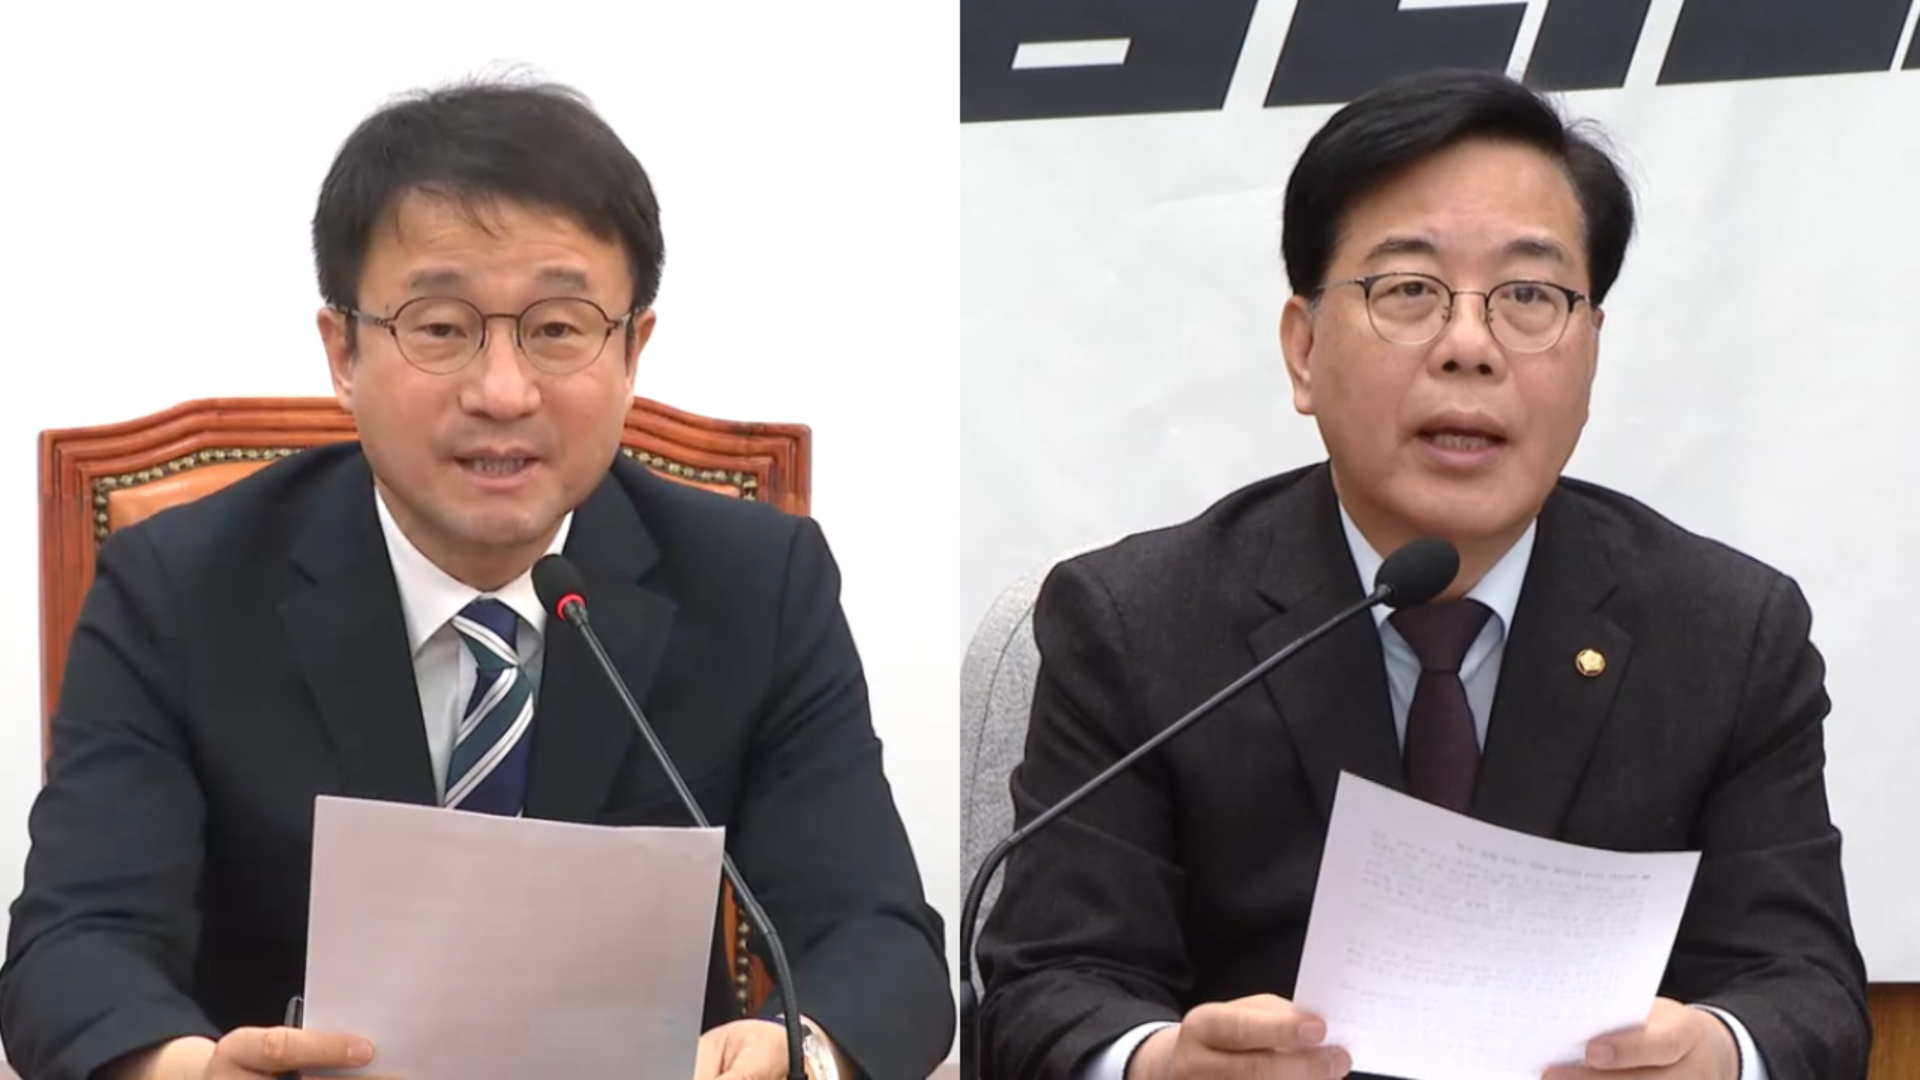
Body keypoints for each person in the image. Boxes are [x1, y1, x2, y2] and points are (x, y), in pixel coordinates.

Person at [0, 78, 951, 1080]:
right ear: (342, 352)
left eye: (559, 328)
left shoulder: (757, 584)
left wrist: (801, 1052)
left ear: (632, 351)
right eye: (441, 326)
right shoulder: (177, 589)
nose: (502, 391)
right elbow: (76, 947)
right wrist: (184, 1071)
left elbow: (879, 943)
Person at [975, 69, 1868, 1080]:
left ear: (1590, 352)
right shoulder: (1136, 624)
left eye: (1529, 296)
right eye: (1408, 290)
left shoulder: (1726, 634)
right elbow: (1046, 989)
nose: (1469, 347)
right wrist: (1157, 1064)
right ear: (1304, 351)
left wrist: (1716, 1053)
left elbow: (1804, 991)